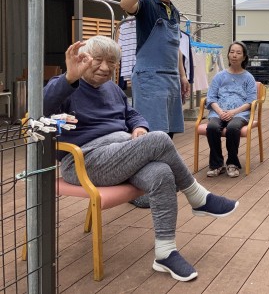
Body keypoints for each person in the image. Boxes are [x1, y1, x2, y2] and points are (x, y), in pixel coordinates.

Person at [43, 36, 239, 282]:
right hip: (85, 160)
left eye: (111, 62)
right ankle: (198, 196)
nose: (105, 67)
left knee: (161, 173)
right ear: (83, 59)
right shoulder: (66, 86)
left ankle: (165, 253)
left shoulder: (113, 89)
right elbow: (42, 106)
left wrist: (139, 128)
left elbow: (132, 114)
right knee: (160, 139)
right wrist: (69, 77)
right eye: (98, 60)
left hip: (121, 152)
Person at [119, 0, 190, 138]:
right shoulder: (147, 3)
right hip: (150, 79)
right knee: (151, 132)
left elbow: (175, 47)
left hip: (171, 79)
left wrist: (183, 76)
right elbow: (125, 4)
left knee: (169, 132)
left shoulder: (174, 12)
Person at [205, 41, 257, 178]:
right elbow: (211, 98)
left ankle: (232, 163)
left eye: (238, 53)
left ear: (244, 57)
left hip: (240, 114)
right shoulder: (219, 76)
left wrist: (233, 112)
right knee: (212, 127)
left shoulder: (248, 78)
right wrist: (220, 112)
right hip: (218, 112)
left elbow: (251, 101)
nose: (234, 55)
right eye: (232, 52)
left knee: (233, 128)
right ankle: (216, 164)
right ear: (228, 55)